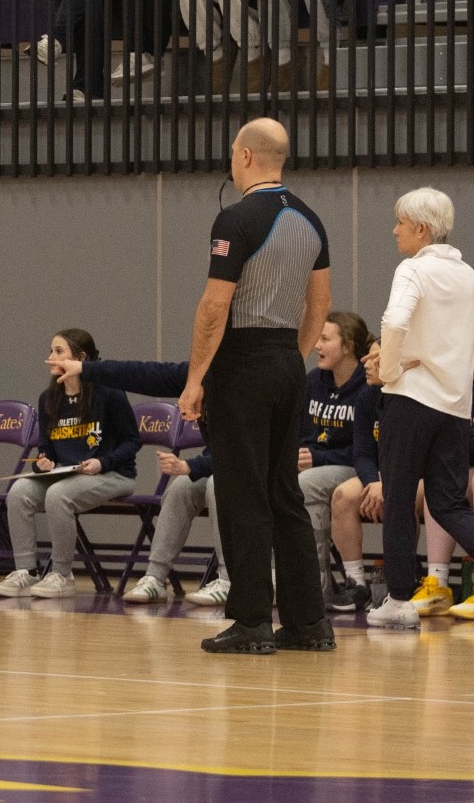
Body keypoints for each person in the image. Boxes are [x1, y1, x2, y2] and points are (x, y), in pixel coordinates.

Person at [179, 117, 334, 654]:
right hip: (287, 362)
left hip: (242, 363)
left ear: (244, 156)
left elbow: (214, 305)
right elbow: (320, 305)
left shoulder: (236, 218)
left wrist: (196, 378)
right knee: (284, 493)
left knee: (242, 493)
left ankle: (250, 622)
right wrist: (290, 359)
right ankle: (308, 623)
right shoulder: (311, 219)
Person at [361, 188, 474, 629]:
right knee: (448, 504)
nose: (394, 231)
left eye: (400, 223)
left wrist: (390, 370)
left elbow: (394, 321)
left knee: (399, 497)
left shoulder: (413, 269)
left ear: (421, 229)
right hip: (456, 407)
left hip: (410, 403)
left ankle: (398, 601)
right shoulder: (468, 275)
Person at [47, 354, 232, 606]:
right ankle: (156, 578)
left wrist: (190, 465)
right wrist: (83, 368)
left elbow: (240, 452)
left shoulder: (243, 381)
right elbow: (143, 373)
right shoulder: (197, 373)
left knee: (217, 484)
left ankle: (231, 579)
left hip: (260, 469)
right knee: (180, 488)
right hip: (222, 463)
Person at [0, 329, 140, 598]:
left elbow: (132, 441)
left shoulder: (109, 393)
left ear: (80, 358)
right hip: (66, 474)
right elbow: (46, 446)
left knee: (58, 495)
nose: (50, 357)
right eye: (51, 350)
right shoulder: (48, 398)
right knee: (19, 492)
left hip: (113, 474)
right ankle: (26, 571)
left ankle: (62, 574)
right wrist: (44, 461)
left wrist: (102, 462)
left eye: (59, 351)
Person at [298, 311, 377, 600]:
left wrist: (318, 459)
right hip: (318, 464)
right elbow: (300, 433)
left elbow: (367, 449)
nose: (317, 346)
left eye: (325, 339)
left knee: (307, 484)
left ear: (347, 347)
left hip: (354, 466)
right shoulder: (313, 382)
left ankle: (313, 586)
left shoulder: (367, 386)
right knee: (275, 480)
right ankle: (274, 577)